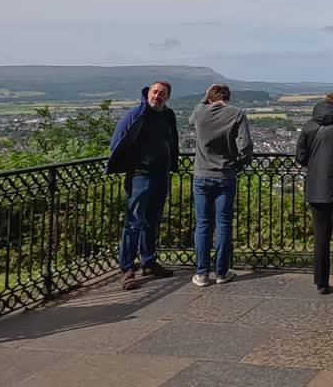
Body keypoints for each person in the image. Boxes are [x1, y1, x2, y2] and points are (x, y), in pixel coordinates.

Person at [106, 81, 180, 290]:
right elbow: (118, 141)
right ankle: (127, 268)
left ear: (167, 97)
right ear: (149, 92)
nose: (157, 96)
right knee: (134, 222)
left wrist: (171, 163)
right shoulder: (136, 114)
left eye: (162, 94)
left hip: (161, 174)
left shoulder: (168, 115)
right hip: (140, 175)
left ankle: (148, 262)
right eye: (155, 92)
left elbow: (172, 139)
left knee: (152, 220)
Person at [188, 84, 253, 287]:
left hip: (201, 175)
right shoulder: (237, 113)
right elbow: (246, 145)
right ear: (228, 97)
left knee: (203, 224)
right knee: (223, 224)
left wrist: (204, 97)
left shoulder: (200, 111)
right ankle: (222, 272)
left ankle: (202, 273)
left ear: (209, 97)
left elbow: (191, 121)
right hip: (225, 175)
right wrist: (239, 165)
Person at [295, 92, 333, 295]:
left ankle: (321, 282)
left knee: (321, 236)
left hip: (315, 188)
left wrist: (314, 167)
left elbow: (301, 156)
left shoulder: (309, 125)